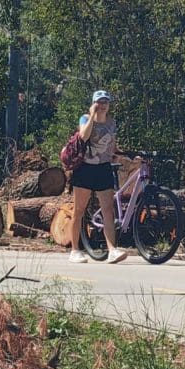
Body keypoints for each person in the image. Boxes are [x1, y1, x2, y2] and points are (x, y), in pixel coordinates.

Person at [68, 90, 128, 264]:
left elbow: (112, 145)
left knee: (108, 210)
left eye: (105, 102)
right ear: (94, 103)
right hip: (85, 169)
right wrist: (92, 116)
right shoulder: (85, 119)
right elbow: (83, 136)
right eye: (99, 102)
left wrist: (122, 156)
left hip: (103, 168)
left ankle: (112, 250)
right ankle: (74, 250)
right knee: (79, 210)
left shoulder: (112, 122)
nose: (102, 105)